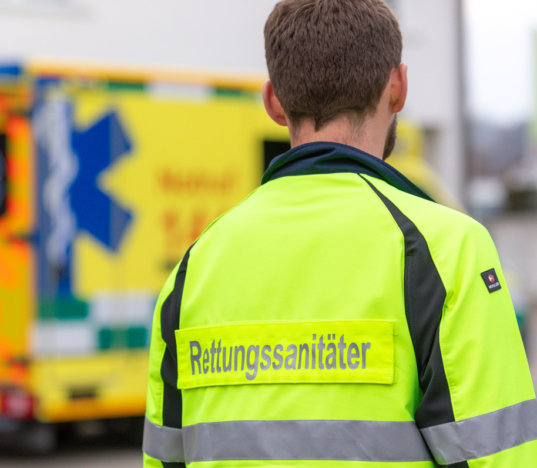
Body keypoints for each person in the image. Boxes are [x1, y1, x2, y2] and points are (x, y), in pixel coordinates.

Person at [142, 0, 537, 466]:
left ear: (273, 101)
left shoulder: (196, 264)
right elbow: (496, 457)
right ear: (398, 88)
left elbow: (164, 458)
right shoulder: (447, 250)